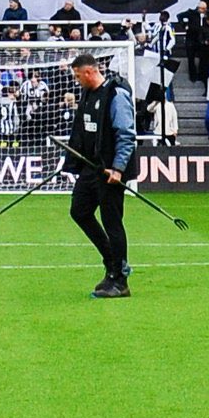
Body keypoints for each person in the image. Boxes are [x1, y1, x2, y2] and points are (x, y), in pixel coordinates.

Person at [66, 52, 136, 299]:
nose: (76, 81)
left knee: (112, 222)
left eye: (77, 76)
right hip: (91, 168)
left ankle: (121, 280)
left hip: (110, 171)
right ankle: (110, 263)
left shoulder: (116, 95)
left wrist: (118, 168)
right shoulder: (87, 94)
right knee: (79, 211)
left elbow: (126, 134)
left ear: (88, 72)